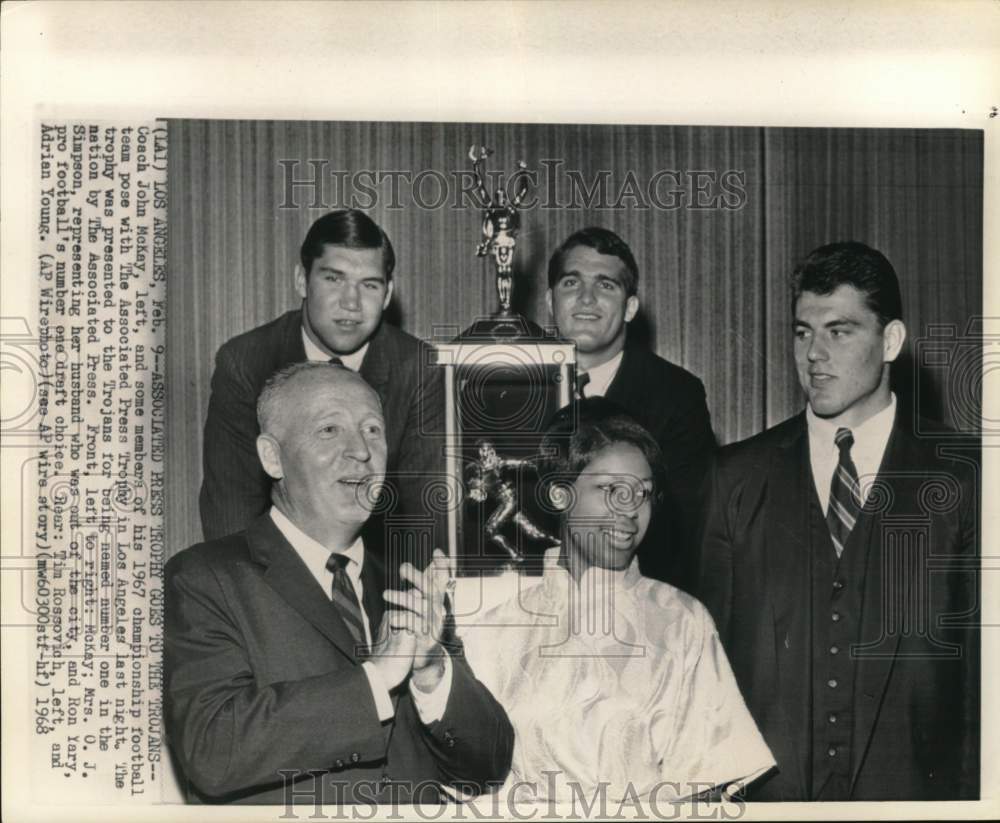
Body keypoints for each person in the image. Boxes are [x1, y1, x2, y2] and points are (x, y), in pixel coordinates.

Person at [698, 241, 979, 800]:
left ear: (891, 340)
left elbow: (982, 686)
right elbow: (710, 672)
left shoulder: (968, 480)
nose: (814, 355)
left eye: (840, 331)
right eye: (803, 332)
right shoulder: (735, 478)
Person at [166, 363, 513, 804]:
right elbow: (213, 751)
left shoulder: (409, 586)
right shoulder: (205, 578)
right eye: (329, 429)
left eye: (372, 430)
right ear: (273, 457)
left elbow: (489, 766)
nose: (361, 452)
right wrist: (376, 678)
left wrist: (433, 670)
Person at [463, 398, 774, 804]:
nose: (630, 510)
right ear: (560, 495)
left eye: (643, 493)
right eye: (610, 489)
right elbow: (469, 777)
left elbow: (707, 782)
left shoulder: (681, 621)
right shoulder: (495, 628)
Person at [199, 208, 443, 544]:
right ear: (302, 280)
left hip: (379, 572)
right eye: (333, 279)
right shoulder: (246, 363)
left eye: (369, 285)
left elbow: (428, 515)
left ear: (387, 294)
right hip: (274, 573)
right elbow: (231, 511)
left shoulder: (419, 368)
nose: (351, 303)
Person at [546, 227, 715, 592]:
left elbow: (684, 527)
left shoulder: (676, 395)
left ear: (631, 307)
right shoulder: (508, 388)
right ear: (550, 301)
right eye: (571, 283)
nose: (586, 299)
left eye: (606, 285)